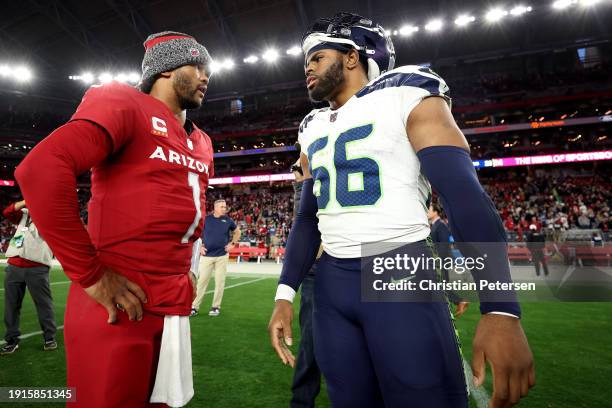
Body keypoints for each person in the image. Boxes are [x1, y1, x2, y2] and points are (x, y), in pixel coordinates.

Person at [268, 13, 535, 408]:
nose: (307, 66)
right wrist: (284, 294)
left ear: (353, 57)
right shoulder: (310, 126)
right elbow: (309, 218)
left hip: (398, 271)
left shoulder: (407, 92)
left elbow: (464, 196)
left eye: (318, 56)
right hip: (331, 285)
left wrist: (500, 307)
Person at [14, 31, 214, 407]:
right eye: (196, 65)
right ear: (166, 70)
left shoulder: (202, 141)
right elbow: (41, 169)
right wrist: (90, 274)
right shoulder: (124, 102)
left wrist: (189, 268)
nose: (206, 75)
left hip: (172, 308)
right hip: (121, 303)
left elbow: (194, 216)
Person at [1, 199, 57, 355]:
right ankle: (12, 340)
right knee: (11, 307)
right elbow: (7, 211)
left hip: (37, 267)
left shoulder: (50, 216)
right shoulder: (24, 215)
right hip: (14, 266)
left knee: (44, 305)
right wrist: (26, 201)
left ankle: (49, 338)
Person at [289, 158, 322, 407]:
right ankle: (301, 401)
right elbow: (303, 221)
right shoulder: (304, 189)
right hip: (317, 269)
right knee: (310, 343)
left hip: (341, 263)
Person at [191, 199, 241, 317]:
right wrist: (200, 247)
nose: (224, 208)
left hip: (222, 256)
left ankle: (215, 307)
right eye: (222, 207)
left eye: (225, 207)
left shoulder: (228, 220)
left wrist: (232, 244)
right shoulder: (206, 219)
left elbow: (237, 232)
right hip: (206, 256)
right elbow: (196, 233)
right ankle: (194, 307)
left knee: (220, 283)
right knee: (201, 282)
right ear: (215, 208)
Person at [427, 203, 470, 317]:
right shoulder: (435, 226)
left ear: (436, 212)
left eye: (429, 209)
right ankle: (450, 307)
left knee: (441, 287)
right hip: (438, 261)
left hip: (441, 262)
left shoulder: (440, 226)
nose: (427, 211)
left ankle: (458, 302)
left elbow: (444, 246)